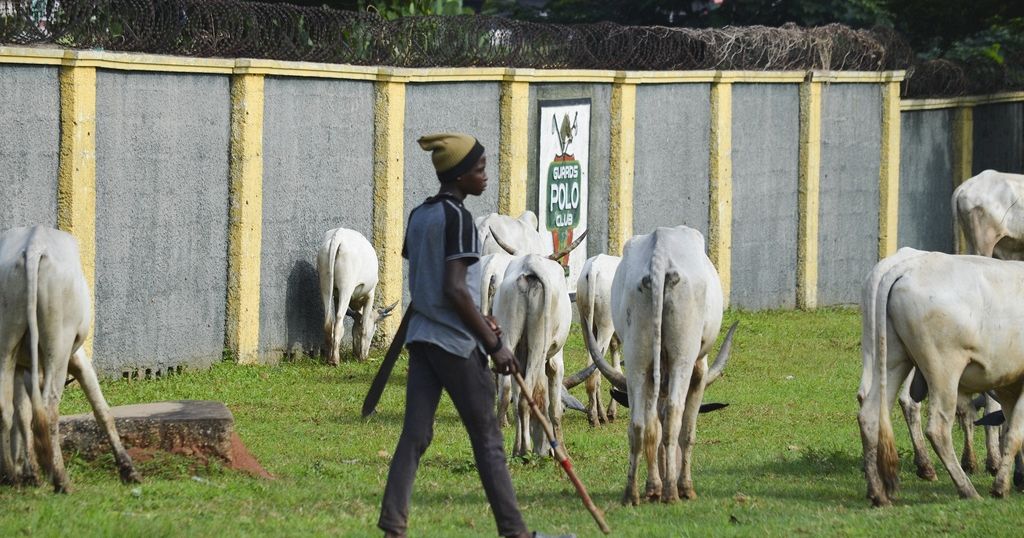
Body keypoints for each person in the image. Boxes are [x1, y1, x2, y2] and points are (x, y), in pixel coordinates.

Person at [378, 133, 567, 538]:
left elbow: (428, 286)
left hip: (422, 340)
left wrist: (485, 318)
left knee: (415, 435)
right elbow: (453, 288)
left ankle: (393, 525)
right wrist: (494, 343)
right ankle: (515, 532)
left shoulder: (419, 215)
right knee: (488, 440)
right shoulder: (458, 219)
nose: (485, 176)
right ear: (460, 174)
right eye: (479, 169)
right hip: (455, 344)